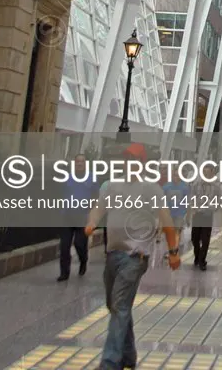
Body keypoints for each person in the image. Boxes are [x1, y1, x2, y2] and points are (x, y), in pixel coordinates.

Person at [84, 143, 180, 370]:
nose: (129, 163)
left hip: (135, 257)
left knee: (118, 305)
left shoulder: (151, 189)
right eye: (126, 159)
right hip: (113, 254)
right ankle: (128, 355)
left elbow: (166, 221)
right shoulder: (111, 185)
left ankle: (110, 362)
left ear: (141, 164)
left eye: (134, 160)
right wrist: (92, 222)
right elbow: (99, 207)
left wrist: (173, 251)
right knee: (116, 306)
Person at [57, 152, 96, 281]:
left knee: (80, 244)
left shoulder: (91, 178)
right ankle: (64, 273)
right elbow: (61, 194)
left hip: (82, 216)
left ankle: (83, 260)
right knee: (64, 246)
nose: (79, 164)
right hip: (67, 215)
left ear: (86, 164)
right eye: (77, 161)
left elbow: (96, 196)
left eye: (82, 161)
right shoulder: (67, 178)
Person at [162, 168, 189, 248]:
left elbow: (187, 201)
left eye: (177, 175)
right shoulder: (166, 187)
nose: (175, 177)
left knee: (177, 231)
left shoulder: (184, 187)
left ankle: (175, 248)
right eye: (174, 175)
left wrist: (187, 214)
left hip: (179, 214)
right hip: (169, 213)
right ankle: (170, 247)